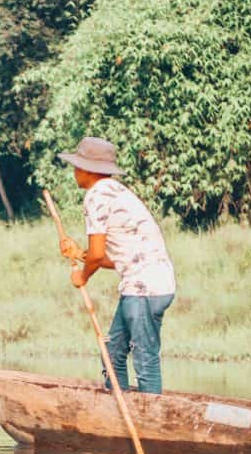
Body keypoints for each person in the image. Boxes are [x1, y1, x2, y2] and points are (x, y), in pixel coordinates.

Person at [56, 137, 176, 394]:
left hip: (146, 289)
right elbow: (117, 258)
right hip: (143, 283)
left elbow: (98, 257)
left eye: (77, 167)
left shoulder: (96, 197)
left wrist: (83, 276)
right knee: (112, 353)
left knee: (144, 358)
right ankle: (119, 411)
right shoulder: (116, 191)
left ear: (89, 170)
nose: (74, 172)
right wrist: (80, 254)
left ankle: (150, 419)